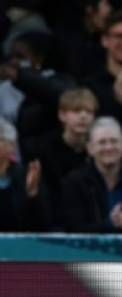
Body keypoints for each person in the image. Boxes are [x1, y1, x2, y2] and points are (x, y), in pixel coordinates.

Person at [60, 116, 122, 233]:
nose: (109, 147)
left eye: (114, 141)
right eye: (102, 142)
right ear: (90, 148)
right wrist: (108, 224)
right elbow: (72, 228)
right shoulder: (75, 182)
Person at [20, 87, 96, 229]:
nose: (83, 116)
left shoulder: (99, 149)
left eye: (89, 112)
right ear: (62, 115)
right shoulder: (44, 150)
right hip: (55, 223)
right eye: (77, 111)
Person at [0, 116, 49, 232]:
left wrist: (32, 196)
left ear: (11, 145)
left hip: (19, 246)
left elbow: (41, 226)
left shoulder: (26, 176)